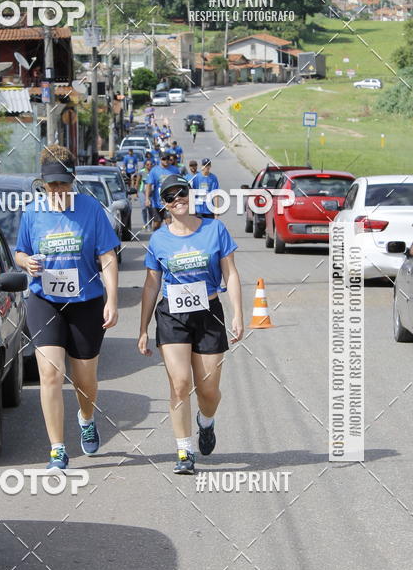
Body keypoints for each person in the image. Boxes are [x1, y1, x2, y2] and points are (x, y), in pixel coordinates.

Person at [15, 144, 119, 471]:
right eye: (51, 185)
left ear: (73, 180)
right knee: (50, 373)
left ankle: (86, 417)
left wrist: (113, 299)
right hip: (44, 300)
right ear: (43, 184)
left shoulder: (91, 209)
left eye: (63, 183)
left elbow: (107, 256)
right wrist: (26, 262)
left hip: (86, 303)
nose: (57, 190)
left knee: (84, 379)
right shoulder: (32, 213)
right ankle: (57, 449)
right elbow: (20, 251)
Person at [138, 174, 244, 475]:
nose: (177, 200)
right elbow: (151, 285)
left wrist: (238, 314)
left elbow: (230, 273)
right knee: (180, 383)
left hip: (209, 312)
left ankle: (206, 421)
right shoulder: (159, 239)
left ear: (190, 194)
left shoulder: (214, 229)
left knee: (208, 391)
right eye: (170, 197)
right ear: (163, 204)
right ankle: (184, 450)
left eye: (181, 193)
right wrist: (142, 328)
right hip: (172, 315)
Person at [145, 152, 180, 232]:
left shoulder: (175, 170)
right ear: (160, 159)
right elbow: (149, 185)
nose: (166, 161)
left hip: (170, 201)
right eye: (164, 159)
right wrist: (147, 199)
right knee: (157, 224)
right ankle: (155, 236)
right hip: (157, 202)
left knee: (169, 222)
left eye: (168, 159)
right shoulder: (154, 170)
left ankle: (168, 238)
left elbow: (178, 183)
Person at [137, 158, 154, 227]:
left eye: (150, 164)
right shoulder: (141, 172)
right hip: (142, 192)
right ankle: (145, 223)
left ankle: (149, 223)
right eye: (147, 164)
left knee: (150, 209)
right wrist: (135, 192)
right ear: (145, 165)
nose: (149, 166)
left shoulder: (154, 172)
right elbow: (137, 182)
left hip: (151, 193)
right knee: (144, 208)